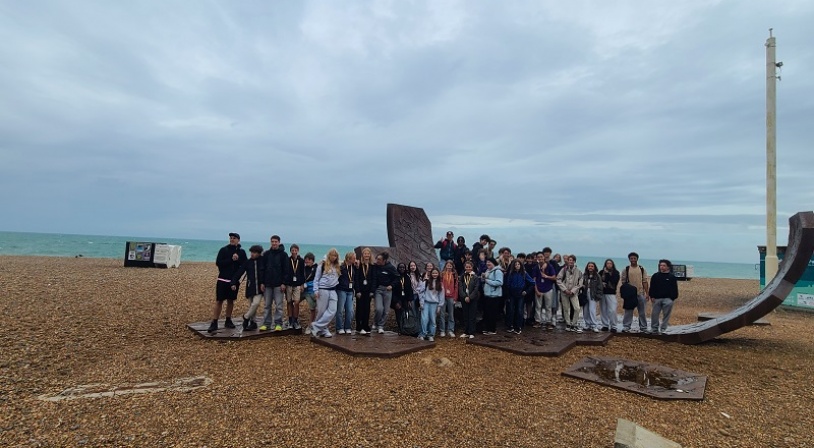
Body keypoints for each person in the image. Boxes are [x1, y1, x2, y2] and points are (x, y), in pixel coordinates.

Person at [209, 233, 247, 333]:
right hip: (222, 279)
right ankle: (214, 322)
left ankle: (228, 320)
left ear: (238, 240)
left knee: (231, 301)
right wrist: (231, 259)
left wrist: (236, 278)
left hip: (234, 281)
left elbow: (244, 266)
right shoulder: (224, 250)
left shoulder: (241, 252)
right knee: (219, 301)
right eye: (231, 238)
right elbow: (218, 263)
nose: (232, 239)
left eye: (234, 238)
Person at [230, 244, 266, 331]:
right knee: (251, 306)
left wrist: (264, 283)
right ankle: (253, 323)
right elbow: (240, 272)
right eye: (251, 252)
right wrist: (233, 282)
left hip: (260, 288)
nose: (252, 254)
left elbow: (267, 272)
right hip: (250, 287)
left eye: (254, 252)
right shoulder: (248, 262)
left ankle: (246, 317)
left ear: (259, 253)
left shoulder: (263, 261)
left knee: (255, 304)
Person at [311, 249, 341, 338]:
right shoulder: (322, 265)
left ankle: (316, 326)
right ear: (329, 255)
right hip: (323, 289)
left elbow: (347, 262)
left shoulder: (337, 266)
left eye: (335, 256)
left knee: (332, 310)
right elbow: (316, 279)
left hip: (333, 290)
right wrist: (315, 290)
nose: (333, 257)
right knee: (321, 311)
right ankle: (323, 329)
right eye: (332, 255)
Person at [260, 235, 287, 331]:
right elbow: (262, 269)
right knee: (267, 305)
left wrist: (284, 283)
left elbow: (286, 270)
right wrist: (262, 282)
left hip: (278, 284)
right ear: (270, 242)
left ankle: (278, 323)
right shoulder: (266, 254)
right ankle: (266, 324)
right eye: (272, 241)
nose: (274, 243)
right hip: (267, 284)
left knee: (279, 305)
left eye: (276, 241)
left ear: (279, 242)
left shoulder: (283, 255)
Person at [620, 252, 649, 333]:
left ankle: (643, 327)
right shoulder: (626, 269)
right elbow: (623, 281)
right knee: (628, 311)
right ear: (629, 259)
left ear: (637, 259)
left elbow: (645, 281)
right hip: (630, 295)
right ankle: (626, 326)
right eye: (631, 258)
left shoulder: (642, 269)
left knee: (642, 312)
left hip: (640, 293)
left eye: (634, 258)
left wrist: (647, 293)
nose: (633, 260)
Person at [649, 259, 679, 334]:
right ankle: (654, 328)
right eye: (661, 265)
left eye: (664, 265)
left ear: (668, 267)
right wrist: (651, 296)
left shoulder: (672, 277)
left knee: (666, 315)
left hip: (668, 299)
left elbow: (674, 288)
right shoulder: (655, 276)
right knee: (654, 314)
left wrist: (672, 298)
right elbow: (652, 287)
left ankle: (663, 329)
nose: (662, 267)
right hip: (656, 299)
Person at [372, 251, 399, 333]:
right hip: (378, 290)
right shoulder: (375, 267)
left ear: (384, 260)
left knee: (386, 311)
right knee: (379, 309)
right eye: (377, 259)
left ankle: (381, 325)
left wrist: (392, 285)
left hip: (387, 290)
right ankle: (375, 322)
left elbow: (397, 277)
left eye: (379, 259)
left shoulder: (390, 267)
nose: (377, 261)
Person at [556, 255, 583, 333]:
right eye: (569, 260)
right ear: (567, 261)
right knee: (566, 308)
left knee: (577, 308)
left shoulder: (578, 271)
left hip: (573, 293)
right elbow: (558, 280)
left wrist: (573, 290)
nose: (570, 261)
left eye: (572, 260)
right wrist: (565, 289)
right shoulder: (563, 270)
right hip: (564, 293)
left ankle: (574, 324)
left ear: (574, 261)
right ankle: (568, 324)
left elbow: (580, 282)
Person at [505, 260, 533, 334]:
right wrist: (508, 293)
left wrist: (526, 291)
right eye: (515, 264)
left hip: (520, 294)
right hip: (512, 294)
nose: (517, 265)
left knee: (519, 310)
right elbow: (507, 284)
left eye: (518, 264)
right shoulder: (511, 274)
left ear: (521, 265)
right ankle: (510, 326)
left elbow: (532, 283)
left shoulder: (524, 273)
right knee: (510, 310)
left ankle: (518, 326)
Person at [531, 251, 557, 329]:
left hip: (548, 289)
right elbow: (534, 280)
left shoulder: (550, 266)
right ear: (537, 258)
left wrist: (546, 276)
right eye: (538, 257)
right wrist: (536, 290)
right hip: (539, 289)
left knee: (548, 307)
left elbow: (554, 277)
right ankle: (538, 321)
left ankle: (548, 322)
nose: (540, 258)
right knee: (538, 307)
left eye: (541, 257)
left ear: (544, 258)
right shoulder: (536, 267)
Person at [283, 244, 305, 330]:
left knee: (296, 302)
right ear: (290, 251)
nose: (294, 251)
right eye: (292, 250)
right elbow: (285, 272)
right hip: (289, 284)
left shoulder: (301, 261)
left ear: (298, 251)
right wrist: (284, 283)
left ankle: (295, 320)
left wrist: (303, 284)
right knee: (289, 302)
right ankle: (290, 320)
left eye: (295, 250)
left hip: (297, 284)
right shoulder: (287, 260)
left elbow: (303, 273)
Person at [418, 268, 443, 341]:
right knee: (424, 319)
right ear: (431, 274)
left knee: (433, 320)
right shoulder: (426, 282)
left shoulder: (440, 284)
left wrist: (439, 306)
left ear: (438, 274)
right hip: (426, 302)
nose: (435, 274)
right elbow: (421, 292)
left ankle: (431, 335)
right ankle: (423, 334)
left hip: (434, 304)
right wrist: (421, 302)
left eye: (436, 273)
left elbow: (441, 295)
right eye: (433, 273)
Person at [354, 247, 375, 335]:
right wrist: (357, 290)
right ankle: (359, 326)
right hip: (360, 291)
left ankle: (365, 325)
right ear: (362, 255)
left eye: (368, 254)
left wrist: (372, 291)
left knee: (367, 309)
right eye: (365, 254)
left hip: (368, 291)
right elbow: (356, 279)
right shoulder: (359, 266)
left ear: (370, 255)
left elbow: (374, 279)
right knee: (359, 308)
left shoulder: (372, 266)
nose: (366, 255)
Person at [458, 261, 481, 339]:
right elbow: (460, 287)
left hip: (473, 299)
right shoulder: (462, 276)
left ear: (472, 267)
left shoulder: (475, 277)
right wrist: (464, 296)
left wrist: (470, 297)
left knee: (472, 315)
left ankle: (472, 332)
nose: (468, 268)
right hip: (464, 298)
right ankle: (466, 331)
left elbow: (476, 288)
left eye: (469, 267)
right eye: (466, 267)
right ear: (464, 267)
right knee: (465, 315)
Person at [336, 251, 357, 334]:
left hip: (350, 291)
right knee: (340, 310)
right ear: (349, 258)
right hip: (342, 290)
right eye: (354, 258)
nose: (355, 260)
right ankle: (339, 327)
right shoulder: (341, 267)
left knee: (350, 310)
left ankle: (347, 326)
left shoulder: (354, 267)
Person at [481, 258, 504, 335]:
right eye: (487, 262)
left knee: (492, 313)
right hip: (487, 295)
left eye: (489, 262)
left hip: (494, 296)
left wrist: (487, 281)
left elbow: (499, 282)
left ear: (494, 263)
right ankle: (487, 328)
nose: (488, 264)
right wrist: (483, 278)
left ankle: (492, 329)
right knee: (487, 313)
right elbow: (484, 280)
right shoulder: (487, 271)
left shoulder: (498, 271)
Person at [392, 262, 414, 334]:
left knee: (406, 314)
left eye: (403, 267)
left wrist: (410, 300)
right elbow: (393, 291)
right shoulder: (395, 277)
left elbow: (410, 289)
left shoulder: (407, 277)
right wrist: (395, 302)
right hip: (397, 299)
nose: (402, 269)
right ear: (398, 268)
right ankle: (400, 329)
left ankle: (406, 328)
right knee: (398, 315)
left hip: (405, 299)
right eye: (400, 267)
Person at [581, 261, 603, 332]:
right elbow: (581, 283)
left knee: (592, 310)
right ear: (587, 267)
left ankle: (594, 325)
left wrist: (598, 295)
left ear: (594, 267)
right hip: (585, 294)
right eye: (589, 266)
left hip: (593, 294)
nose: (590, 267)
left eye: (592, 266)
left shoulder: (597, 276)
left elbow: (600, 286)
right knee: (585, 310)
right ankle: (587, 324)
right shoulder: (584, 275)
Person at [599, 259, 620, 332]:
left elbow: (613, 281)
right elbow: (598, 281)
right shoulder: (601, 272)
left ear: (612, 264)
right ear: (605, 264)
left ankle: (613, 326)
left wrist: (607, 274)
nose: (609, 265)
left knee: (612, 310)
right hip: (602, 293)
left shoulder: (616, 273)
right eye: (607, 263)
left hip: (611, 293)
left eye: (610, 263)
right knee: (603, 309)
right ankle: (605, 325)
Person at [438, 260, 458, 337]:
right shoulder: (442, 274)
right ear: (445, 266)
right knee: (442, 314)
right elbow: (439, 285)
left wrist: (455, 298)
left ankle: (450, 330)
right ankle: (442, 330)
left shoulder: (454, 275)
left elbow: (456, 287)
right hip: (443, 296)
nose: (449, 267)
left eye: (450, 266)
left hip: (451, 297)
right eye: (448, 265)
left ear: (452, 266)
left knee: (451, 314)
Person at [302, 253, 317, 335]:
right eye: (306, 260)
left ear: (312, 260)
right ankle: (293, 321)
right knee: (294, 302)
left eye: (308, 260)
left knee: (312, 308)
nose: (307, 261)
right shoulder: (303, 268)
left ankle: (310, 325)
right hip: (302, 290)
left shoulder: (316, 268)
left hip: (311, 291)